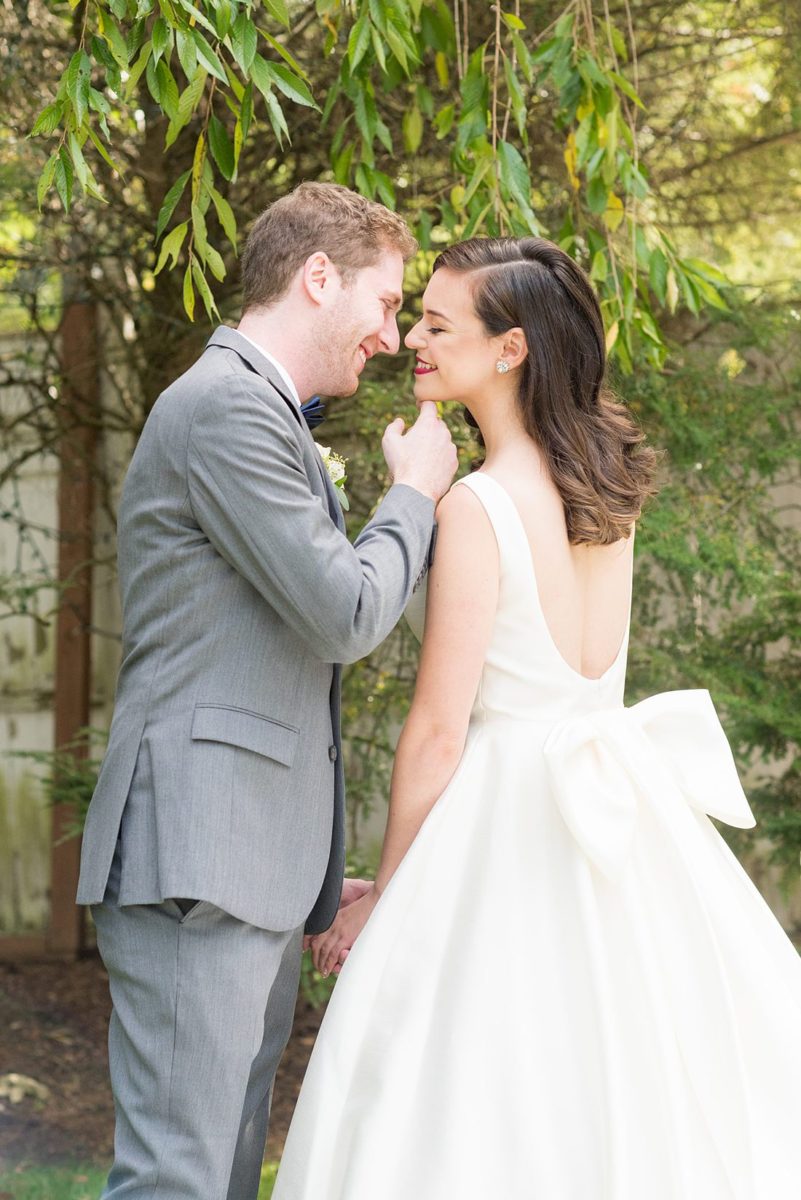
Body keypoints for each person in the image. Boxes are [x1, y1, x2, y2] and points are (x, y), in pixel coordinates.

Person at [272, 236, 801, 1199]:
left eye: (438, 324)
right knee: (615, 1067)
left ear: (509, 349)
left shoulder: (474, 505)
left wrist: (388, 894)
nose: (413, 342)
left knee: (474, 1089)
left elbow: (436, 732)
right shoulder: (608, 490)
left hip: (506, 812)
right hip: (614, 803)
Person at [76, 181, 458, 1200]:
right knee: (178, 1181)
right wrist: (416, 495)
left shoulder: (265, 413)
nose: (389, 333)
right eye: (384, 303)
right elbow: (343, 613)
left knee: (221, 1176)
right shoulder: (225, 408)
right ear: (317, 276)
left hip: (245, 868)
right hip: (197, 858)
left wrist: (322, 878)